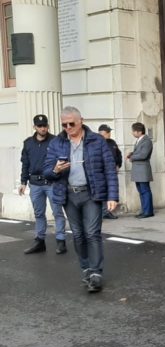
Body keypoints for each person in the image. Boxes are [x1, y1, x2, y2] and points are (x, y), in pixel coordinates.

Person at [43, 106, 119, 292]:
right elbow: (46, 170)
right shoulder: (56, 143)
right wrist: (56, 170)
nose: (68, 127)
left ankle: (96, 272)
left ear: (81, 121)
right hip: (68, 194)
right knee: (78, 234)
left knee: (92, 233)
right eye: (64, 124)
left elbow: (109, 169)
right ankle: (86, 268)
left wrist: (113, 196)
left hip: (91, 193)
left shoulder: (97, 140)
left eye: (71, 123)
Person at [19, 114, 67, 254]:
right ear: (34, 127)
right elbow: (25, 163)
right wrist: (23, 182)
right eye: (40, 126)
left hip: (52, 182)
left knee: (57, 212)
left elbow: (63, 161)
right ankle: (39, 241)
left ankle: (61, 241)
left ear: (48, 126)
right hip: (35, 183)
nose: (43, 128)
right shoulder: (28, 143)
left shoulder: (55, 141)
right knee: (38, 213)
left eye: (45, 125)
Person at [126, 122, 154, 218]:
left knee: (145, 191)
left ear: (139, 131)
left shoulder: (147, 141)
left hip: (143, 170)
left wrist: (132, 157)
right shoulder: (139, 140)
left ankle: (148, 211)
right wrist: (132, 153)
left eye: (133, 131)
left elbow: (143, 154)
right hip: (138, 170)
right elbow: (139, 152)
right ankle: (144, 210)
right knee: (141, 191)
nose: (132, 133)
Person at [98, 124, 122, 219]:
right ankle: (103, 212)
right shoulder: (96, 142)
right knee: (103, 192)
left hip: (112, 172)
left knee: (110, 191)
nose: (110, 134)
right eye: (108, 132)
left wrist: (118, 165)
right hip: (102, 172)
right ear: (102, 133)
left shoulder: (112, 142)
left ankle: (107, 212)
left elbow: (118, 154)